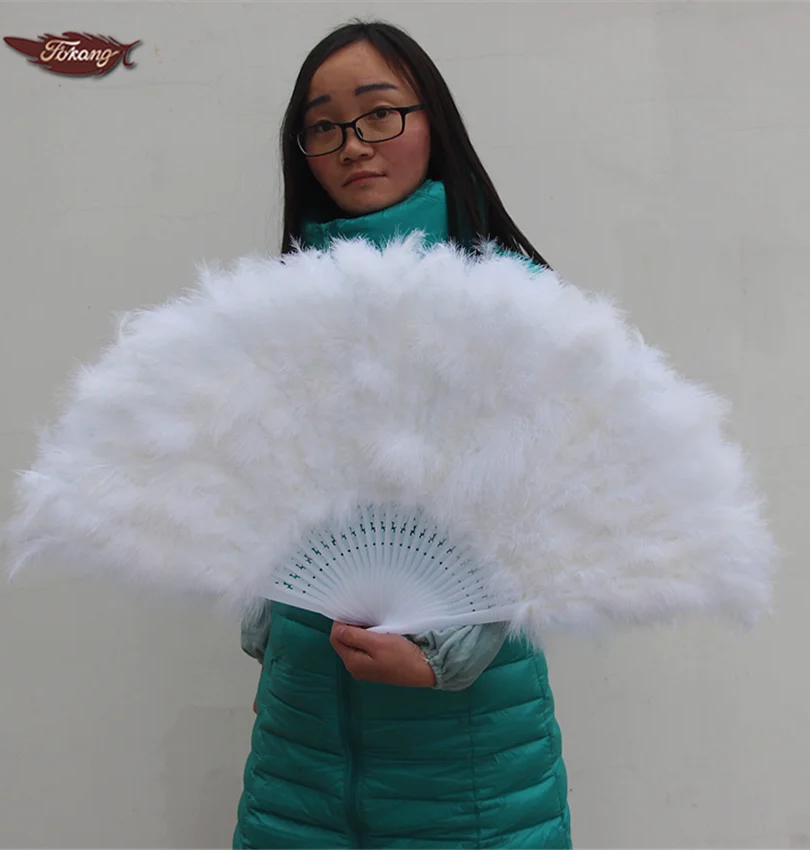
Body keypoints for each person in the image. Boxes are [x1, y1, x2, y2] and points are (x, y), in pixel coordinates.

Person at [234, 18, 570, 850]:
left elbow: (546, 500)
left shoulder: (509, 300)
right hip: (302, 729)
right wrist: (268, 618)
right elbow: (260, 482)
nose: (353, 144)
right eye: (323, 126)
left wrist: (446, 652)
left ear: (432, 122)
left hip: (465, 745)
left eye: (379, 113)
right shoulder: (279, 307)